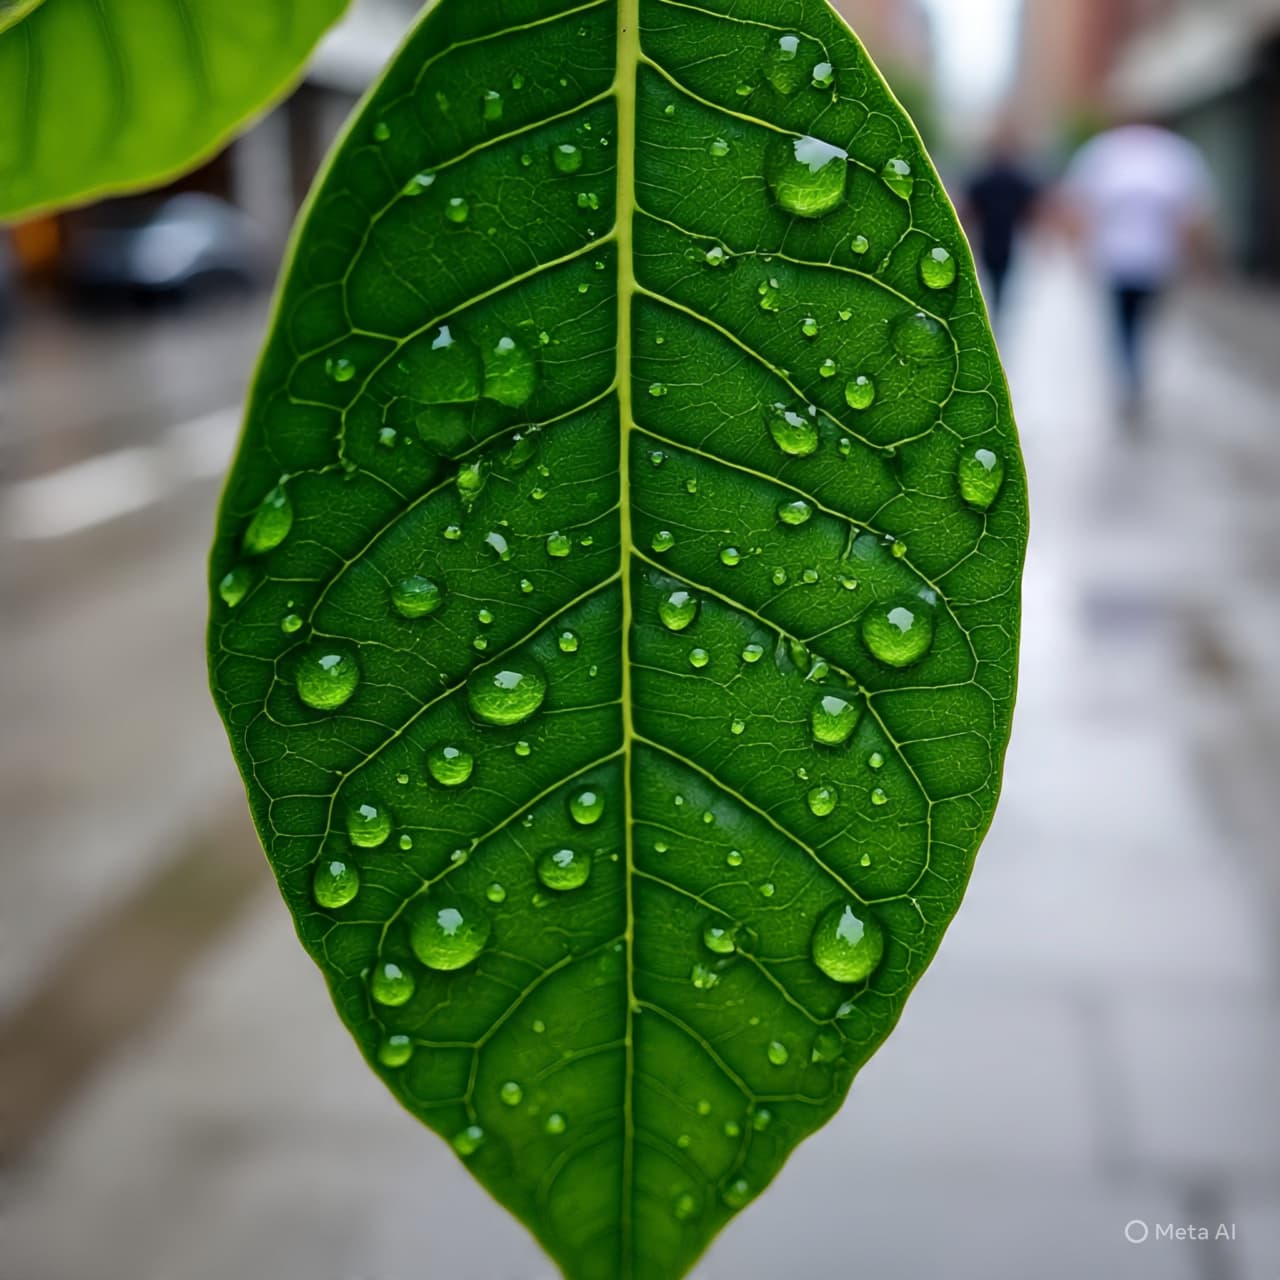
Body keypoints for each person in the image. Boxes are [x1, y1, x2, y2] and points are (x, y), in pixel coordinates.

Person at [1061, 118, 1217, 421]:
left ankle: (1131, 374)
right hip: (1134, 260)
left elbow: (1078, 206)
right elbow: (1192, 213)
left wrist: (1079, 248)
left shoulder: (1104, 152)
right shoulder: (1172, 154)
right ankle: (1133, 376)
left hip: (1138, 260)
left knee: (1130, 323)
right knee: (1132, 323)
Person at [963, 123, 1042, 324]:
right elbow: (1031, 209)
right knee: (1001, 278)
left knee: (991, 276)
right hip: (1006, 238)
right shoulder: (1016, 178)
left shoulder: (983, 177)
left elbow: (970, 210)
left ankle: (994, 310)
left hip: (990, 237)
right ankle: (997, 308)